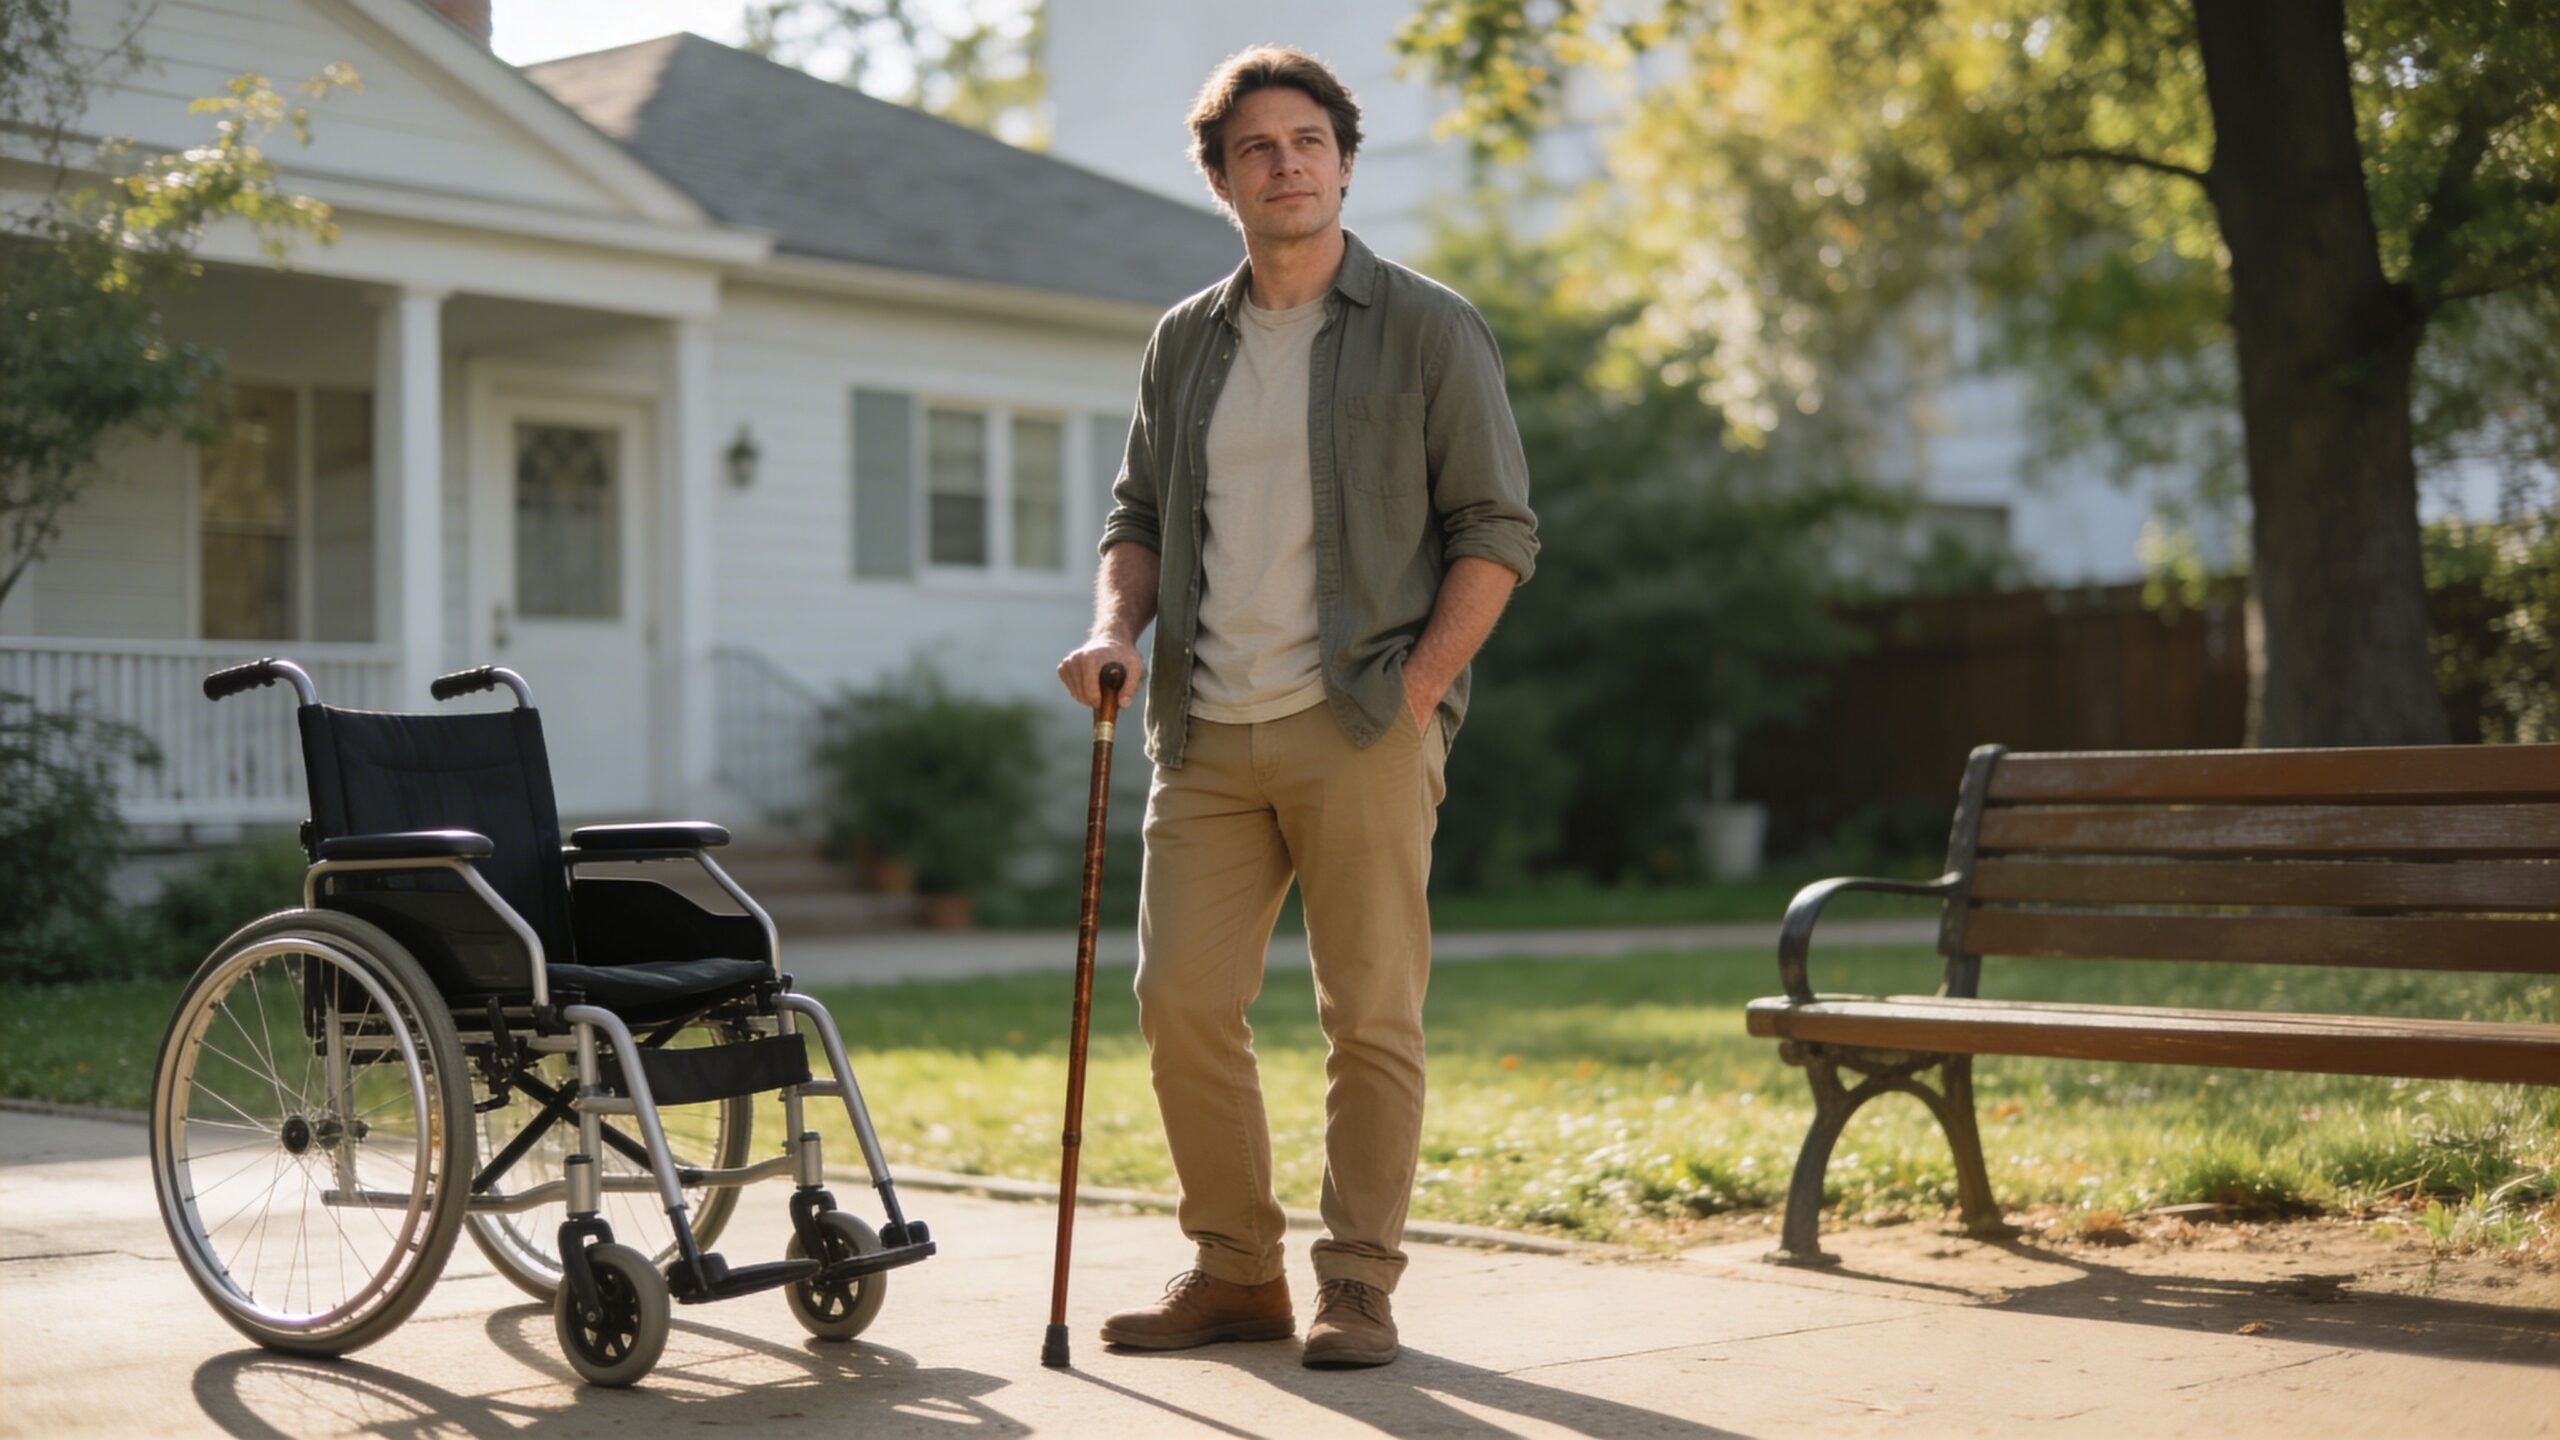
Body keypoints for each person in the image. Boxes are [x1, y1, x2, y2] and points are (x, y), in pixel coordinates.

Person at [1055, 44, 1538, 1370]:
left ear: (1342, 160)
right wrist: (1111, 631)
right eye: (1258, 148)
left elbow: (1497, 532)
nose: (1288, 164)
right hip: (1206, 732)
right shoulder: (1185, 344)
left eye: (1309, 141)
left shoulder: (1429, 326)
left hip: (1361, 719)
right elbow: (1138, 517)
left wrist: (1419, 693)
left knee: (1369, 1014)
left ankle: (1359, 1287)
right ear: (1222, 180)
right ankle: (1235, 1272)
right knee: (1181, 1002)